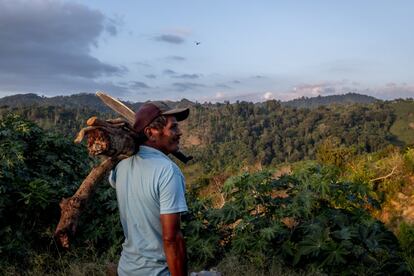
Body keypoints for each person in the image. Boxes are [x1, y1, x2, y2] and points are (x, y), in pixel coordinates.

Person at [109, 101, 190, 276]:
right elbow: (172, 239)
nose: (179, 132)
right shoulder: (168, 171)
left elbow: (113, 181)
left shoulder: (120, 166)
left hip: (126, 269)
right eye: (173, 128)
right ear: (151, 132)